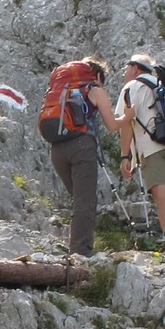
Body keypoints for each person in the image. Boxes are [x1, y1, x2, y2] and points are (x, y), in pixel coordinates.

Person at [114, 52, 165, 250]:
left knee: (161, 196)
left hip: (153, 147)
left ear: (135, 68)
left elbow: (126, 123)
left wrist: (125, 156)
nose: (124, 73)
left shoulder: (132, 87)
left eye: (126, 69)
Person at [37, 57, 110, 256]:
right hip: (81, 146)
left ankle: (75, 246)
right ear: (96, 76)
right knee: (85, 201)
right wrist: (129, 116)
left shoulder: (63, 91)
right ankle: (81, 253)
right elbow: (112, 125)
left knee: (79, 199)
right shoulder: (95, 90)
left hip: (57, 149)